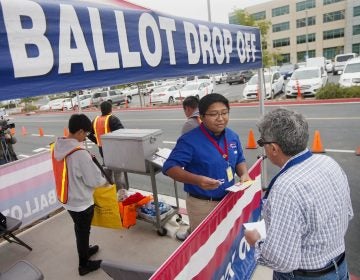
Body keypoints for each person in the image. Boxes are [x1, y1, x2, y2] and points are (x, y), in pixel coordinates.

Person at [244, 108, 353, 280]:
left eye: (261, 142)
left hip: (306, 275)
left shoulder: (286, 187)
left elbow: (283, 261)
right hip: (339, 266)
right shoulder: (328, 163)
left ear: (273, 148)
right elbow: (348, 213)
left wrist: (256, 240)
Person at [163, 93, 251, 241]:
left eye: (224, 113)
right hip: (202, 204)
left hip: (229, 198)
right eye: (214, 114)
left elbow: (239, 160)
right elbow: (170, 167)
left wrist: (244, 174)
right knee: (203, 244)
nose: (220, 118)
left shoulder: (232, 136)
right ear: (202, 117)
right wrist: (198, 180)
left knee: (227, 239)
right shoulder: (189, 141)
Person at [51, 114, 108, 276]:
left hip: (67, 198)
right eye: (86, 134)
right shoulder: (79, 153)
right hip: (81, 201)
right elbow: (94, 181)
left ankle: (85, 250)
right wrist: (104, 180)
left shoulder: (58, 146)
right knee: (83, 231)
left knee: (80, 229)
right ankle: (84, 264)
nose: (85, 139)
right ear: (80, 132)